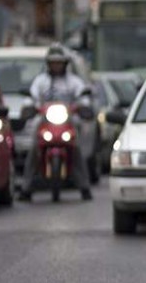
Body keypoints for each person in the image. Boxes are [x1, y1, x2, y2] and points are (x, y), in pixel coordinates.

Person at [20, 43, 92, 201]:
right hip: (45, 122)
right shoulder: (41, 81)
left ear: (65, 63)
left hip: (68, 122)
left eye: (59, 62)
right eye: (53, 62)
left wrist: (83, 107)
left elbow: (83, 97)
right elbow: (31, 98)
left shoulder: (73, 82)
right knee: (34, 149)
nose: (56, 65)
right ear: (48, 64)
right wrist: (29, 108)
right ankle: (26, 187)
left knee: (77, 148)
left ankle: (84, 186)